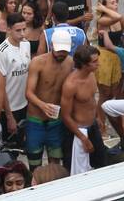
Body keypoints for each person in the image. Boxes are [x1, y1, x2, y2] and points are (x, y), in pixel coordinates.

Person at [24, 28, 72, 169]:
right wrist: (43, 105)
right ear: (52, 45)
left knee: (56, 164)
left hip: (55, 122)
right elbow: (29, 93)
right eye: (59, 51)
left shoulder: (70, 63)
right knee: (34, 164)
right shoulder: (38, 62)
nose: (61, 54)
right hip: (35, 120)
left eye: (65, 51)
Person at [61, 44, 102, 175]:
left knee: (101, 164)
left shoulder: (91, 75)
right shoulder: (71, 84)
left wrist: (97, 117)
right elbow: (66, 116)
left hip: (93, 126)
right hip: (78, 132)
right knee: (77, 173)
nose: (98, 64)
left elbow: (91, 100)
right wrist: (83, 138)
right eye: (94, 62)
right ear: (84, 64)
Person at [0, 12, 30, 135]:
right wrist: (9, 117)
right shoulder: (1, 52)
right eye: (18, 30)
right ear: (8, 29)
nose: (22, 34)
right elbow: (0, 87)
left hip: (24, 104)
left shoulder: (26, 44)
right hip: (9, 109)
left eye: (24, 29)